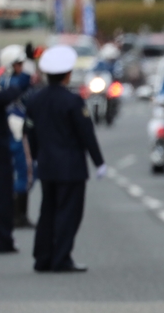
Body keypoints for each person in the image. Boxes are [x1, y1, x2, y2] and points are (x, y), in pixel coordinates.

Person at [25, 45, 106, 272]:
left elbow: (30, 132)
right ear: (68, 73)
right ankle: (61, 258)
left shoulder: (34, 100)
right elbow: (86, 134)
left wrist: (35, 157)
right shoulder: (73, 101)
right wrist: (99, 162)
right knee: (68, 213)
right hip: (71, 167)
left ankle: (42, 258)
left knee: (47, 211)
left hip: (47, 165)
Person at [0, 51, 31, 254]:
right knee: (1, 195)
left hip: (0, 145)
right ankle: (4, 239)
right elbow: (6, 97)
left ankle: (6, 237)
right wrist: (23, 78)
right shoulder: (0, 84)